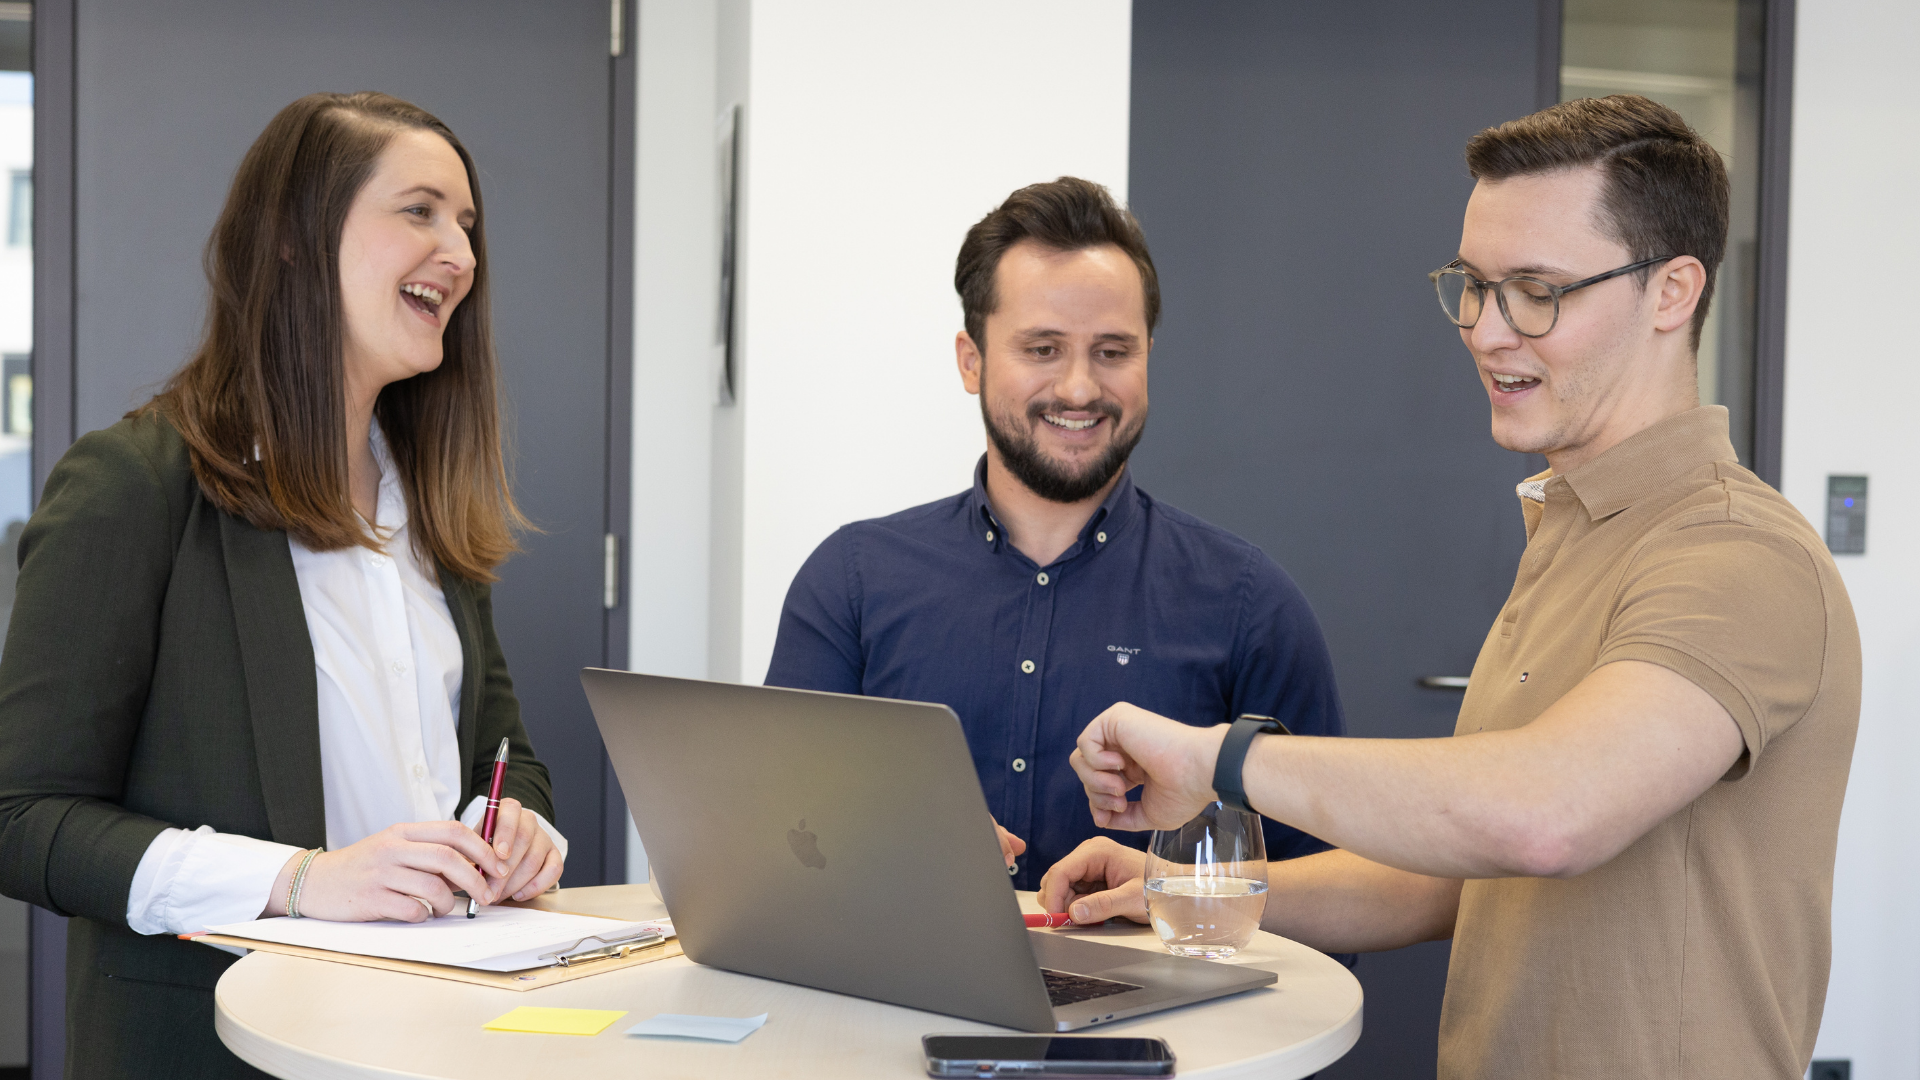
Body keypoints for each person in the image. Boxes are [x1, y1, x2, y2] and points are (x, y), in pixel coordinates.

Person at [1041, 96, 1860, 1079]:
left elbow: (1547, 814)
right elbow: (1469, 873)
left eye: (1536, 291)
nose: (1486, 329)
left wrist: (1225, 760)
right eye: (1472, 286)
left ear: (1673, 291)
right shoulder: (1572, 535)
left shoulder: (1736, 556)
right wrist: (1187, 889)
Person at [0, 92, 567, 1077]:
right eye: (421, 211)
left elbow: (500, 756)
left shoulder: (424, 504)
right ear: (297, 240)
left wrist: (516, 827)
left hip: (444, 1038)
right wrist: (303, 882)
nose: (463, 255)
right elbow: (23, 818)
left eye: (468, 226)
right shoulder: (135, 486)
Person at [765, 177, 1344, 890]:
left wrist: (1175, 892)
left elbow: (1321, 889)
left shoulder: (1249, 604)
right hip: (902, 1001)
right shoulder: (851, 582)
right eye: (1042, 349)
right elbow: (776, 844)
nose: (1078, 388)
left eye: (1112, 351)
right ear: (970, 360)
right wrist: (887, 843)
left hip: (1177, 1004)